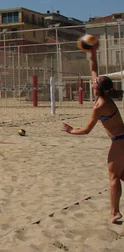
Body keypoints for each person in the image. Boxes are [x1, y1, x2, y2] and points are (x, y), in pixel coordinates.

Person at [62, 45, 124, 224]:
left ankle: (115, 213)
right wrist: (93, 51)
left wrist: (71, 130)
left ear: (98, 87)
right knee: (121, 175)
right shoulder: (103, 95)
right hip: (121, 138)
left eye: (95, 82)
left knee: (113, 176)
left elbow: (87, 130)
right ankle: (115, 211)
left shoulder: (100, 105)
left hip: (120, 141)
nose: (92, 81)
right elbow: (94, 68)